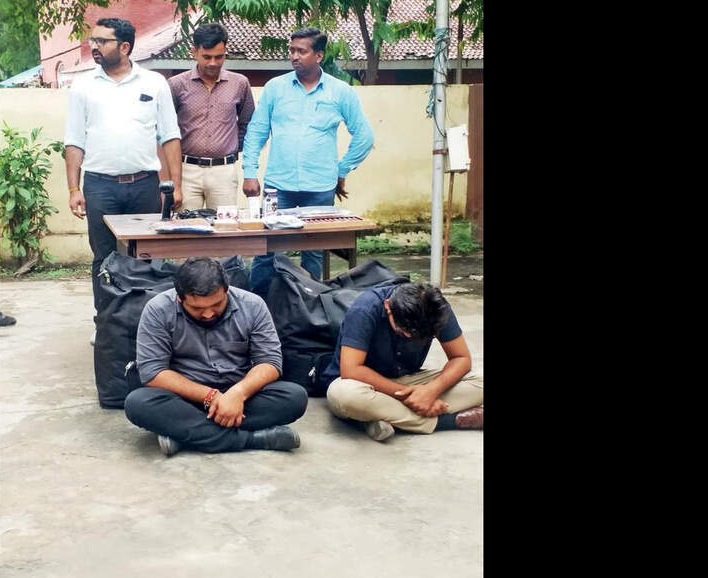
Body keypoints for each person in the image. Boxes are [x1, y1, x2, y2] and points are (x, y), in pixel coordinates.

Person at [63, 18, 184, 343]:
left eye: (102, 41)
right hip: (99, 186)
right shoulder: (83, 86)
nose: (94, 46)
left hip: (145, 185)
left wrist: (176, 185)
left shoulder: (154, 83)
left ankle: (151, 323)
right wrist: (74, 188)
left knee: (148, 256)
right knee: (104, 257)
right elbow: (74, 141)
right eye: (93, 40)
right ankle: (105, 323)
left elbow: (170, 135)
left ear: (125, 47)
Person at [124, 257, 308, 456]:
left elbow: (270, 362)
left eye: (217, 304)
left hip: (239, 396)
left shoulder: (253, 305)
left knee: (294, 397)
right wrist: (210, 396)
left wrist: (238, 393)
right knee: (138, 403)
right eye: (197, 309)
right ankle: (253, 439)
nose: (208, 314)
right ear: (180, 299)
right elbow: (152, 372)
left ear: (226, 291)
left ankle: (185, 435)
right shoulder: (158, 310)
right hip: (185, 399)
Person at [242, 27, 374, 295]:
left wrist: (340, 169)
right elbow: (256, 132)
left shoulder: (340, 92)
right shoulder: (275, 88)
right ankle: (258, 305)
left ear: (319, 55)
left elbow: (364, 137)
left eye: (301, 51)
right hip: (278, 186)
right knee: (266, 250)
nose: (294, 56)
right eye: (291, 50)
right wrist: (249, 171)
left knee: (313, 253)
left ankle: (309, 306)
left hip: (319, 188)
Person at [320, 282, 483, 441]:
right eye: (404, 332)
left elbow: (461, 358)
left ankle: (379, 418)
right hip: (364, 383)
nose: (410, 338)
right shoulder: (365, 309)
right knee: (344, 396)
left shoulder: (437, 309)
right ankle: (448, 421)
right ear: (388, 307)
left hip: (410, 379)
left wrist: (431, 390)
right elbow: (351, 369)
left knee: (480, 380)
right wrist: (411, 396)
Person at [166, 22, 255, 212]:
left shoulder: (240, 83)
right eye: (207, 57)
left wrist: (231, 148)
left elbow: (248, 125)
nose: (213, 63)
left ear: (225, 52)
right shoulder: (176, 85)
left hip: (223, 171)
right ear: (194, 52)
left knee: (225, 226)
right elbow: (166, 130)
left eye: (219, 57)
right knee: (186, 226)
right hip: (186, 170)